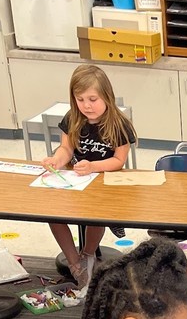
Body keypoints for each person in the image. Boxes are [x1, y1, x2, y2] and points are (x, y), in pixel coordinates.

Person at [42, 64, 136, 290]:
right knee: (52, 214)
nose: (86, 105)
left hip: (106, 181)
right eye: (80, 99)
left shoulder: (118, 123)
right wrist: (57, 158)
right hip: (77, 179)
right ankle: (75, 264)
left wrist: (93, 166)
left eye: (93, 99)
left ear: (106, 96)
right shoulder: (72, 118)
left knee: (97, 215)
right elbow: (66, 148)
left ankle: (88, 255)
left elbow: (118, 160)